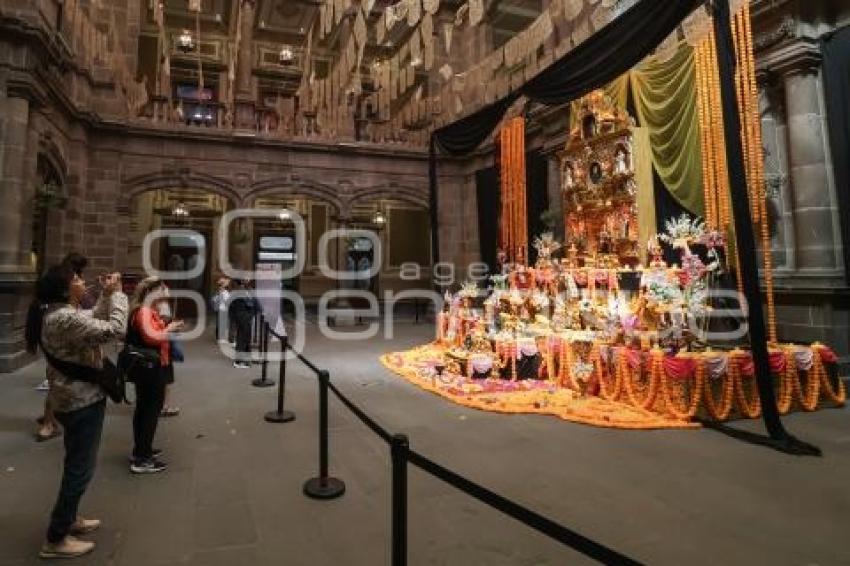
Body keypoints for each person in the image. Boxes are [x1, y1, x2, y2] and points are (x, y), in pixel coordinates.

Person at [26, 265, 127, 559]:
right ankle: (56, 538)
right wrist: (119, 296)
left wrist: (107, 296)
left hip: (74, 397)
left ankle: (69, 520)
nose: (83, 282)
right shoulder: (62, 318)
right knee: (79, 470)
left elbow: (93, 318)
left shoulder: (60, 315)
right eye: (77, 279)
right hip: (81, 400)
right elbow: (114, 329)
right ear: (65, 288)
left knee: (76, 462)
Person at [126, 277, 183, 473]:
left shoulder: (147, 310)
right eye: (161, 290)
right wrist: (170, 329)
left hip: (150, 366)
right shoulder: (143, 311)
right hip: (149, 367)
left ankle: (142, 449)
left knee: (144, 409)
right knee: (149, 411)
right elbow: (152, 337)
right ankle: (142, 459)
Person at [34, 253, 91, 442]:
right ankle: (49, 422)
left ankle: (50, 419)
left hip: (62, 335)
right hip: (61, 336)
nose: (80, 279)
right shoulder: (61, 280)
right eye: (77, 276)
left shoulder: (65, 278)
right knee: (55, 380)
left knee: (55, 378)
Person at [229, 279, 258, 369]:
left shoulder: (247, 291)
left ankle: (246, 358)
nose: (247, 280)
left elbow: (254, 304)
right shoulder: (240, 291)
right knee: (242, 338)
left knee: (245, 338)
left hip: (245, 318)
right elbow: (250, 304)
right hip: (242, 317)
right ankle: (238, 361)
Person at [210, 277, 231, 343]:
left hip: (221, 309)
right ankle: (220, 338)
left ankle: (219, 338)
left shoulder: (222, 292)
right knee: (221, 323)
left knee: (221, 323)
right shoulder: (221, 292)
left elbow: (214, 300)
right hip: (222, 309)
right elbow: (225, 300)